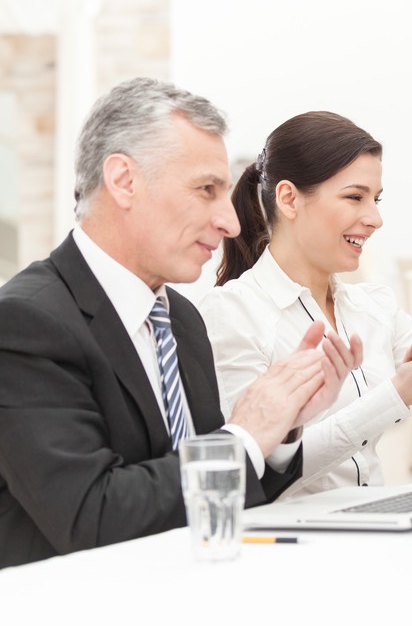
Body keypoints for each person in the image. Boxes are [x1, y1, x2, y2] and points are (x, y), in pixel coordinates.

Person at [0, 78, 361, 569]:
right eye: (206, 190)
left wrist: (283, 427)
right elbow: (92, 518)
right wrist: (244, 436)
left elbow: (213, 501)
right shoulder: (25, 323)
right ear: (124, 181)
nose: (231, 223)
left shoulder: (182, 319)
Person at [199, 111, 412, 498]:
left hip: (375, 523)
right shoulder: (232, 313)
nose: (375, 218)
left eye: (376, 199)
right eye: (355, 197)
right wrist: (396, 394)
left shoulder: (376, 305)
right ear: (288, 198)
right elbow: (259, 473)